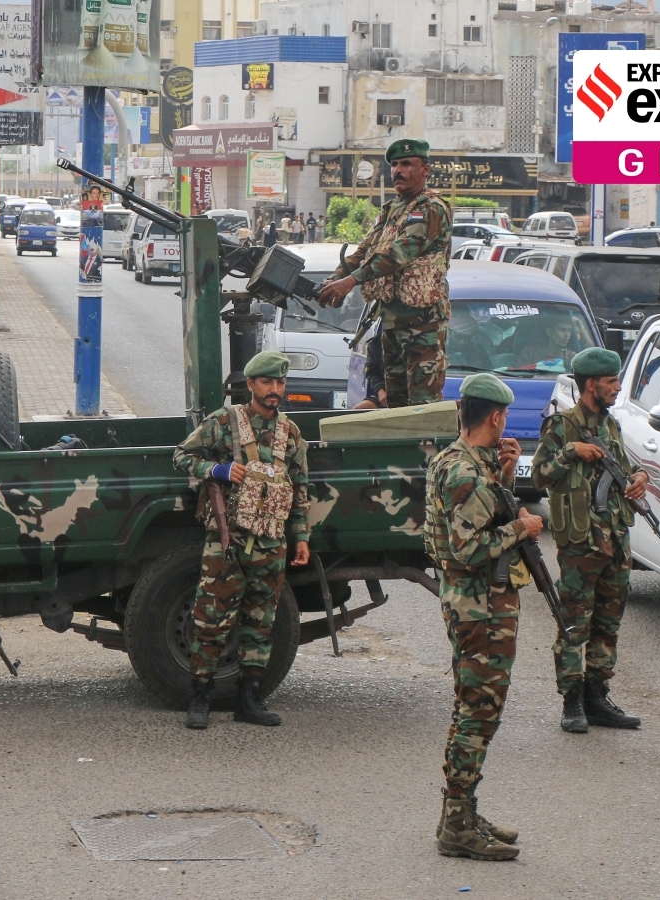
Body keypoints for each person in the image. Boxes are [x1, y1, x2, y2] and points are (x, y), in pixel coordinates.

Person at [423, 373, 543, 861]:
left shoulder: (459, 461)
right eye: (505, 418)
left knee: (470, 709)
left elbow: (478, 517)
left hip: (472, 605)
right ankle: (458, 825)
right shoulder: (466, 472)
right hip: (480, 610)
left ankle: (461, 813)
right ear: (494, 417)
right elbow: (470, 546)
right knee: (478, 713)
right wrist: (523, 526)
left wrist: (508, 478)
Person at [172, 350, 311, 731]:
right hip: (227, 540)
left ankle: (249, 698)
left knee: (260, 621)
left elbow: (299, 489)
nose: (274, 390)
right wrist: (216, 469)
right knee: (211, 620)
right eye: (267, 383)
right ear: (251, 385)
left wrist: (300, 537)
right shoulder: (225, 422)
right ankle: (199, 697)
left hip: (271, 541)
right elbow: (182, 456)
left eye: (280, 383)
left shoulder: (290, 433)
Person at [531, 348, 647, 736]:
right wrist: (571, 451)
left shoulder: (610, 425)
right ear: (591, 384)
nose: (617, 387)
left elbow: (624, 467)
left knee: (607, 625)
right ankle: (572, 702)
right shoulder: (564, 425)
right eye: (611, 382)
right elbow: (539, 476)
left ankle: (598, 697)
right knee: (573, 626)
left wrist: (639, 477)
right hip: (582, 544)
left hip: (615, 541)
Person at [319, 138, 452, 409]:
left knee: (422, 408)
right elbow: (363, 252)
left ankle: (424, 452)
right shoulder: (391, 210)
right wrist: (333, 281)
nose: (398, 170)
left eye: (406, 164)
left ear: (425, 169)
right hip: (391, 324)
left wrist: (350, 282)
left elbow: (397, 255)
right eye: (394, 165)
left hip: (422, 326)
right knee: (396, 405)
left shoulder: (431, 208)